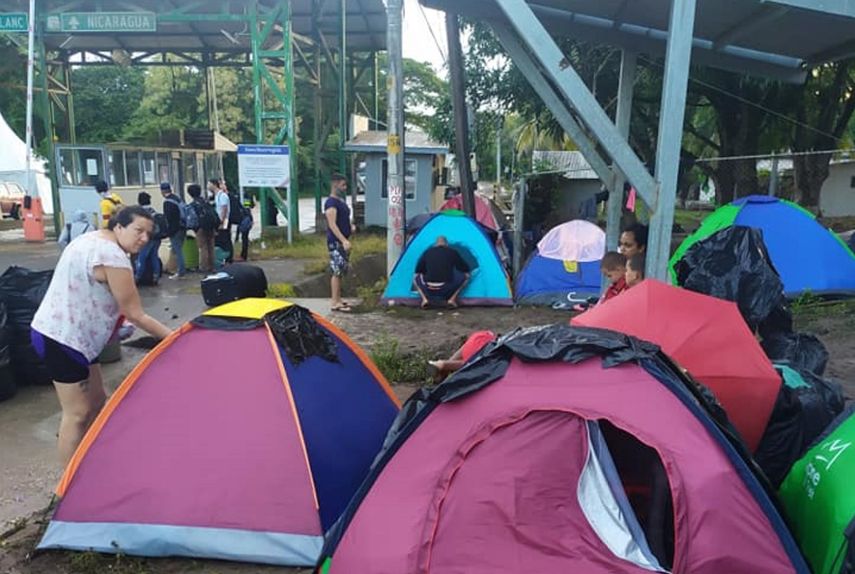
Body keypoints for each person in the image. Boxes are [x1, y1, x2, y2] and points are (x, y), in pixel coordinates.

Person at [31, 206, 173, 466]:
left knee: (97, 400)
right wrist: (176, 339)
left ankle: (93, 463)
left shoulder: (91, 239)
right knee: (77, 413)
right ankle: (67, 488)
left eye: (148, 234)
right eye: (138, 230)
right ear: (119, 226)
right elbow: (136, 314)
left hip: (80, 338)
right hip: (63, 338)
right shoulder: (113, 256)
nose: (143, 238)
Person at [414, 236, 470, 309]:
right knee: (466, 276)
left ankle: (424, 300)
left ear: (435, 244)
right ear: (447, 244)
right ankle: (451, 300)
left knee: (415, 277)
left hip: (428, 287)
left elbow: (418, 270)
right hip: (446, 287)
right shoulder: (452, 252)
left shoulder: (427, 252)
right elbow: (464, 268)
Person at [325, 173, 353, 312]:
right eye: (342, 185)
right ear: (335, 184)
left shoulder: (341, 201)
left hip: (343, 240)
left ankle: (339, 298)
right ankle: (334, 301)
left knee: (341, 270)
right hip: (336, 242)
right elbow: (332, 224)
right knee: (336, 270)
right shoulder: (331, 203)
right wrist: (343, 240)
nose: (345, 187)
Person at [427, 330, 497, 381]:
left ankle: (446, 365)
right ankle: (443, 364)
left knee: (465, 350)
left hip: (476, 338)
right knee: (472, 363)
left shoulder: (487, 335)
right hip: (482, 348)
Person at [134, 192, 162, 285]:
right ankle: (155, 277)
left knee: (141, 258)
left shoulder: (140, 213)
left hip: (146, 238)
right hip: (156, 237)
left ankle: (137, 278)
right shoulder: (153, 211)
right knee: (154, 257)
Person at [188, 184, 216, 273]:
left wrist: (193, 228)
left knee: (203, 247)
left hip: (200, 228)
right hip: (211, 226)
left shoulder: (193, 205)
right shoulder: (206, 202)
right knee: (210, 246)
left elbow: (192, 219)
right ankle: (212, 266)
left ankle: (204, 267)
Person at [161, 182, 186, 278]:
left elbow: (170, 219)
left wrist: (168, 232)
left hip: (175, 229)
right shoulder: (178, 199)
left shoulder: (167, 202)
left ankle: (180, 271)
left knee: (178, 251)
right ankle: (172, 268)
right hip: (183, 227)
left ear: (162, 191)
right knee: (177, 250)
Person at [214, 179, 233, 265]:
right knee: (222, 238)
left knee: (225, 238)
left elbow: (224, 208)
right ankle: (224, 257)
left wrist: (221, 221)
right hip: (222, 219)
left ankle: (228, 258)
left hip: (224, 220)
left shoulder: (223, 196)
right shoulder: (218, 195)